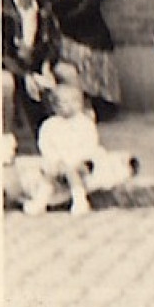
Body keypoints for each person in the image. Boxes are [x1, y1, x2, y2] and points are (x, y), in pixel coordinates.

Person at [40, 0, 121, 119]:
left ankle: (94, 102)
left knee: (82, 56)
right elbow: (43, 1)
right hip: (57, 34)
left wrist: (61, 19)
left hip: (86, 33)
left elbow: (89, 5)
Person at [2, 0, 60, 146]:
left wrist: (46, 65)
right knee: (6, 84)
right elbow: (3, 54)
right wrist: (26, 75)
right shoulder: (3, 12)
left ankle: (63, 133)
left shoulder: (44, 8)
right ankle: (6, 139)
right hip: (12, 67)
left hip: (37, 65)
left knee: (68, 74)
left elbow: (53, 42)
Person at [21, 82, 104, 215]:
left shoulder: (85, 124)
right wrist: (55, 160)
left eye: (74, 101)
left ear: (81, 104)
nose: (70, 106)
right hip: (58, 162)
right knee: (49, 174)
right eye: (64, 102)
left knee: (71, 170)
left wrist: (72, 160)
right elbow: (46, 145)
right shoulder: (49, 125)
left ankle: (80, 200)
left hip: (81, 161)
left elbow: (90, 145)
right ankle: (40, 201)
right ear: (54, 106)